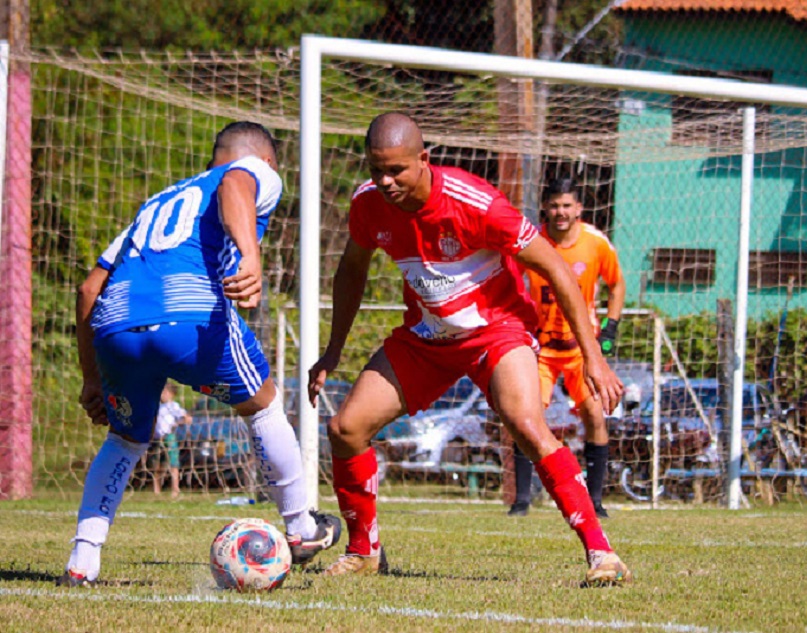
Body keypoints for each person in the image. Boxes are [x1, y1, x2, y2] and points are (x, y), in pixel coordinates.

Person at [308, 112, 632, 585]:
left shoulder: (477, 204)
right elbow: (351, 270)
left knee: (524, 422)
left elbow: (557, 271)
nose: (385, 180)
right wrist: (333, 350)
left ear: (424, 159)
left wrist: (595, 358)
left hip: (496, 331)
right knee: (345, 428)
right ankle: (364, 552)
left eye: (396, 169)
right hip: (427, 338)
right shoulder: (369, 203)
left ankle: (602, 554)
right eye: (376, 169)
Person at [61, 121, 340, 587]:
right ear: (265, 162)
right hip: (188, 313)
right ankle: (301, 529)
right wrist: (250, 256)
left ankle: (81, 563)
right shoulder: (253, 171)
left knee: (127, 440)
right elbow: (235, 182)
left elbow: (89, 289)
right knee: (264, 404)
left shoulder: (155, 205)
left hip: (116, 325)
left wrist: (92, 380)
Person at [509, 178, 626, 519]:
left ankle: (596, 501)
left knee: (594, 415)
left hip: (581, 349)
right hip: (539, 348)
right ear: (545, 207)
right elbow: (511, 277)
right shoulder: (532, 241)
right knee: (525, 416)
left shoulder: (594, 243)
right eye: (554, 205)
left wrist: (611, 328)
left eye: (567, 206)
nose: (561, 212)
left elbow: (616, 284)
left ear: (579, 209)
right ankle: (521, 501)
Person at [148, 383, 190, 498]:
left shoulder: (173, 406)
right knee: (157, 465)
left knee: (173, 464)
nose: (162, 395)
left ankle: (175, 489)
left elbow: (187, 418)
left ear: (171, 394)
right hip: (157, 439)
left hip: (169, 437)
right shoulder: (157, 406)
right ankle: (156, 489)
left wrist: (176, 424)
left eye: (165, 392)